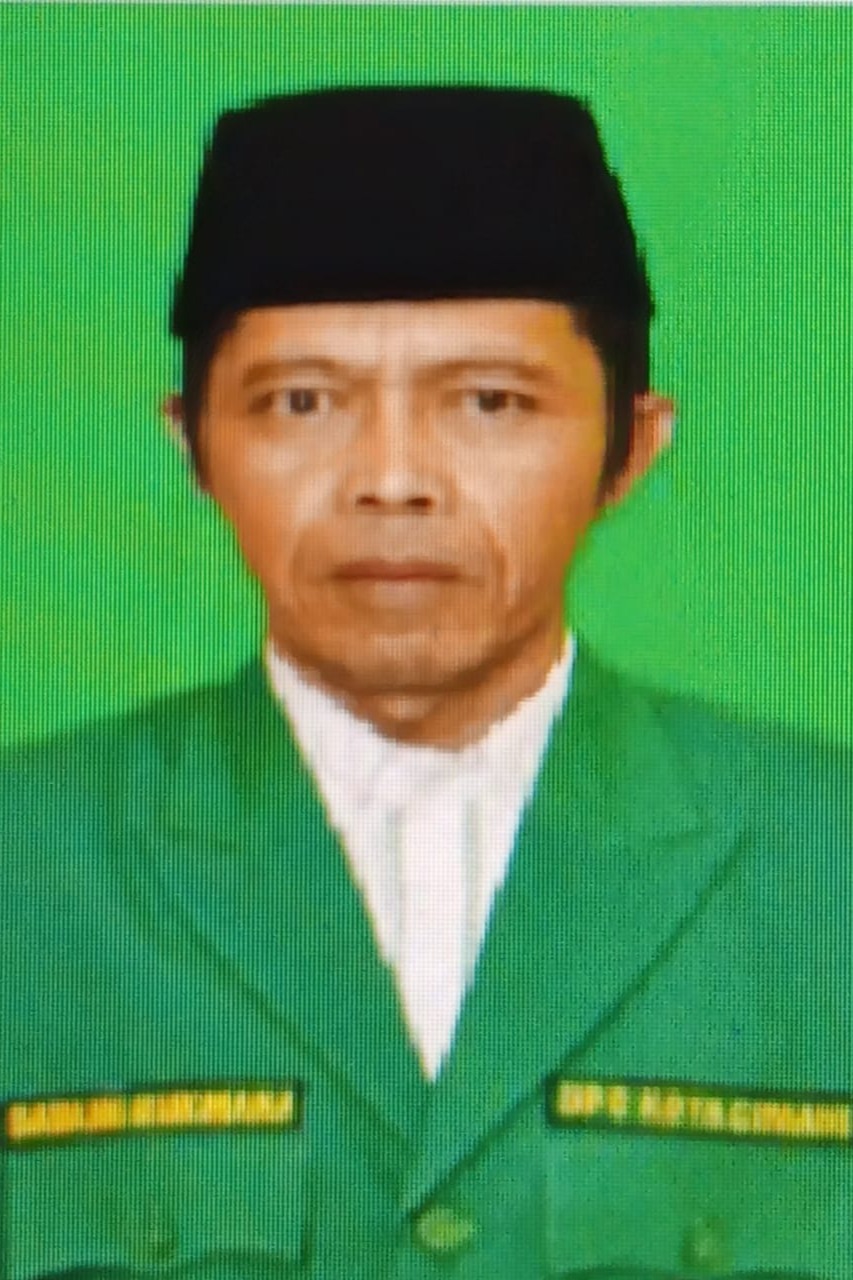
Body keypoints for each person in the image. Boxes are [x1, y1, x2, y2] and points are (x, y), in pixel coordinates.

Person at [1, 85, 850, 1280]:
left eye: (489, 401)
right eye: (301, 402)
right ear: (190, 446)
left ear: (631, 447)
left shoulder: (827, 861)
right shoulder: (24, 862)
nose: (392, 479)